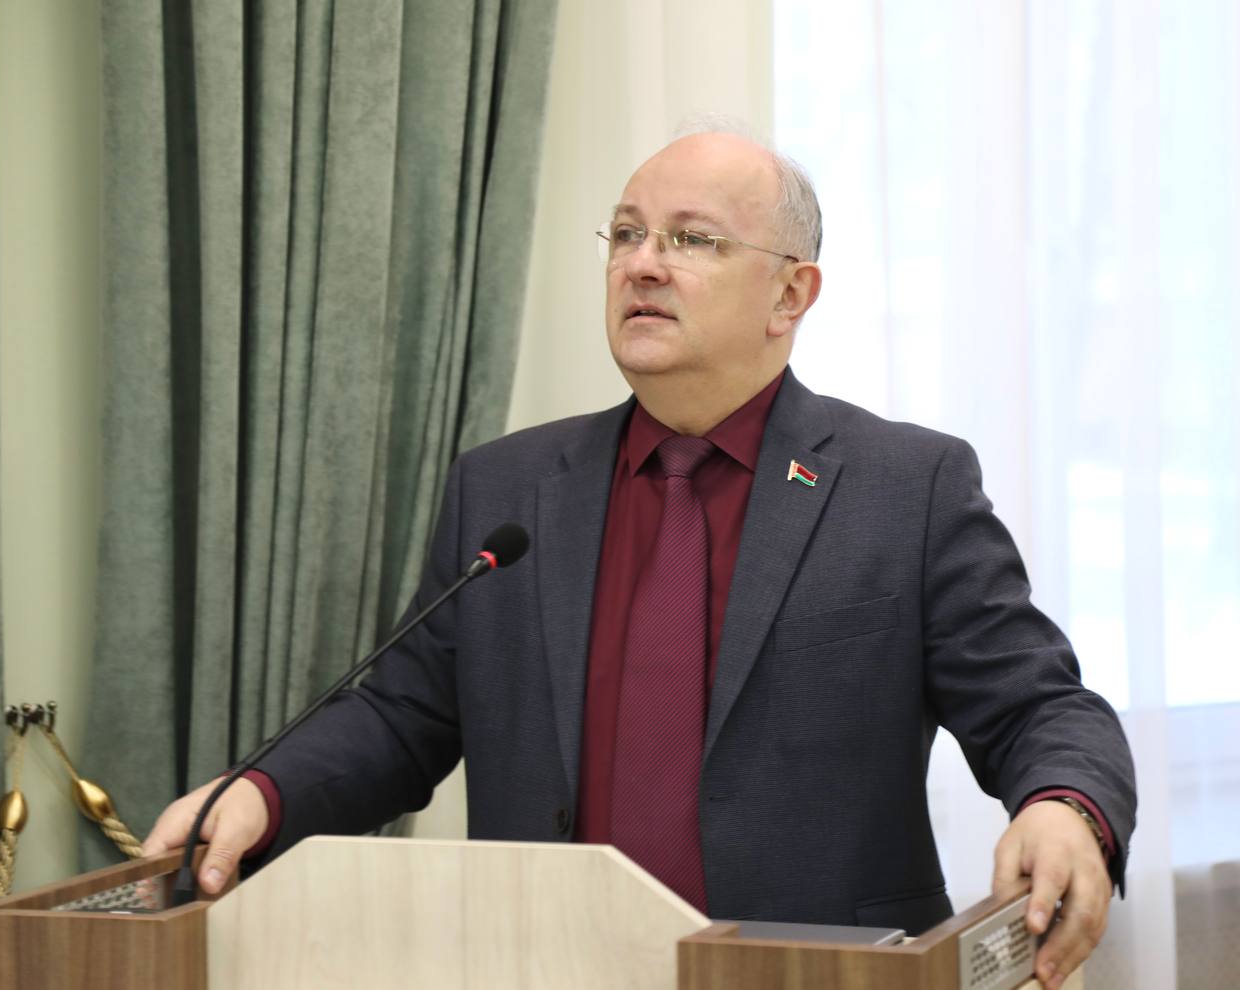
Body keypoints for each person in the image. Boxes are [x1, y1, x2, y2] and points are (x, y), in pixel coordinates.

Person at [145, 128, 1135, 990]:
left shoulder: (902, 488)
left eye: (691, 240)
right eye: (625, 235)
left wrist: (1064, 808)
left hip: (816, 975)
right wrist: (259, 793)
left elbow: (1037, 705)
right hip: (544, 968)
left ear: (790, 293)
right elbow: (402, 716)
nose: (643, 265)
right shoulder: (507, 489)